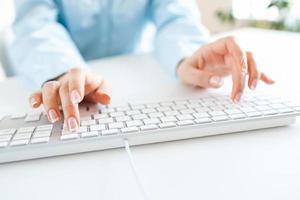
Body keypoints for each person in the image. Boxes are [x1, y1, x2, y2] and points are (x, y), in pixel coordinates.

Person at [7, 0, 274, 131]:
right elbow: (35, 23)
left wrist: (188, 57)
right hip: (59, 76)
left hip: (137, 81)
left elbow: (174, 15)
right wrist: (64, 72)